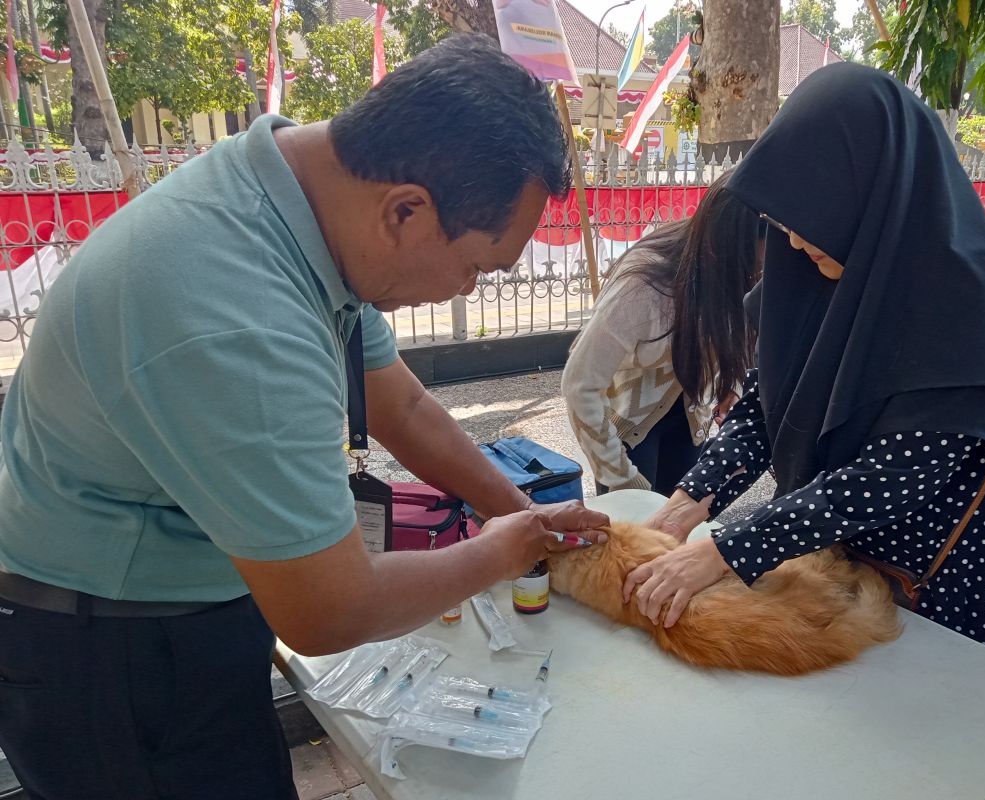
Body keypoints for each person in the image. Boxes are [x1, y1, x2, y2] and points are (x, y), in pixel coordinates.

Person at [0, 35, 607, 798]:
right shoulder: (237, 315)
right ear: (407, 211)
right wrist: (501, 551)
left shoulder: (297, 201)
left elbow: (404, 404)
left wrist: (520, 514)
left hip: (181, 593)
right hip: (112, 648)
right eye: (478, 267)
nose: (465, 290)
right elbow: (330, 610)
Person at [624, 63, 985, 664]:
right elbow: (768, 408)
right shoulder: (822, 267)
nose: (794, 241)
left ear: (870, 188)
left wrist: (726, 550)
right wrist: (692, 499)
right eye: (785, 221)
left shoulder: (979, 302)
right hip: (850, 558)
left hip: (958, 574)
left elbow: (892, 477)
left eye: (812, 213)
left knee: (949, 723)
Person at [561, 171, 761, 494]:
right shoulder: (642, 289)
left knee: (674, 531)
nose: (757, 276)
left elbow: (733, 340)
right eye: (755, 265)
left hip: (690, 414)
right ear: (725, 249)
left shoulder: (737, 273)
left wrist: (731, 388)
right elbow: (578, 386)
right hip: (629, 425)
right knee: (633, 535)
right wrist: (622, 479)